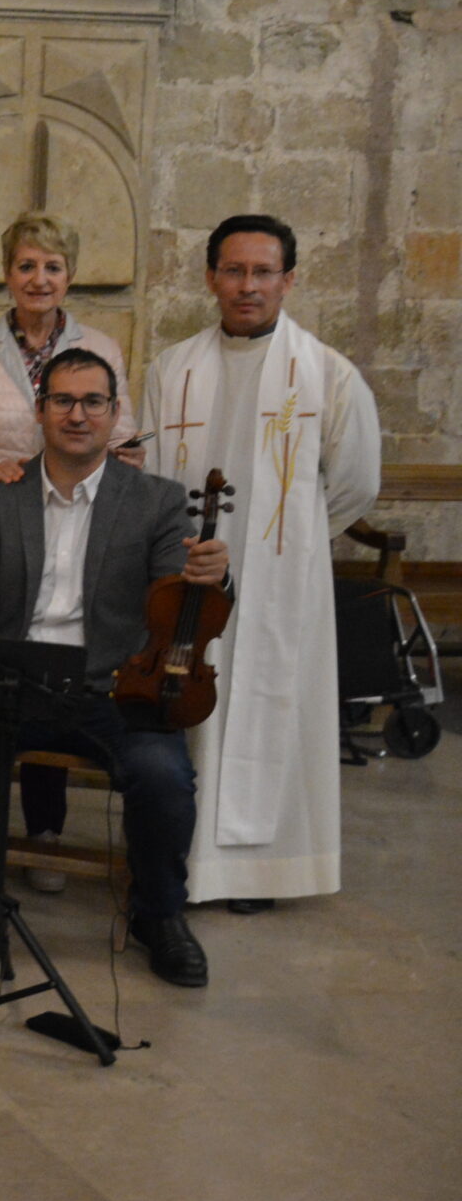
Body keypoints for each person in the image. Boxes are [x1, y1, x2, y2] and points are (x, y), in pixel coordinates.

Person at [0, 348, 225, 986]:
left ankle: (159, 915)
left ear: (114, 413)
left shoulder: (156, 501)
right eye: (63, 401)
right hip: (10, 681)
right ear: (40, 411)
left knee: (163, 774)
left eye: (93, 402)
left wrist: (214, 575)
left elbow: (179, 600)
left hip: (115, 689)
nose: (78, 415)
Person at [135, 214, 380, 911]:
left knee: (269, 711)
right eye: (234, 270)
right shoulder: (172, 369)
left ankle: (256, 871)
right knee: (191, 709)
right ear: (211, 277)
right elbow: (149, 473)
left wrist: (287, 546)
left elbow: (357, 482)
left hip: (279, 583)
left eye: (263, 272)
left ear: (289, 280)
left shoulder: (328, 375)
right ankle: (180, 857)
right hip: (188, 576)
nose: (248, 286)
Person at [0, 212, 133, 891]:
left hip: (72, 533)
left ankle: (44, 830)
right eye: (26, 265)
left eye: (52, 266)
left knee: (54, 669)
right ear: (7, 274)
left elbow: (120, 438)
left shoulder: (100, 347)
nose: (38, 278)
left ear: (70, 275)